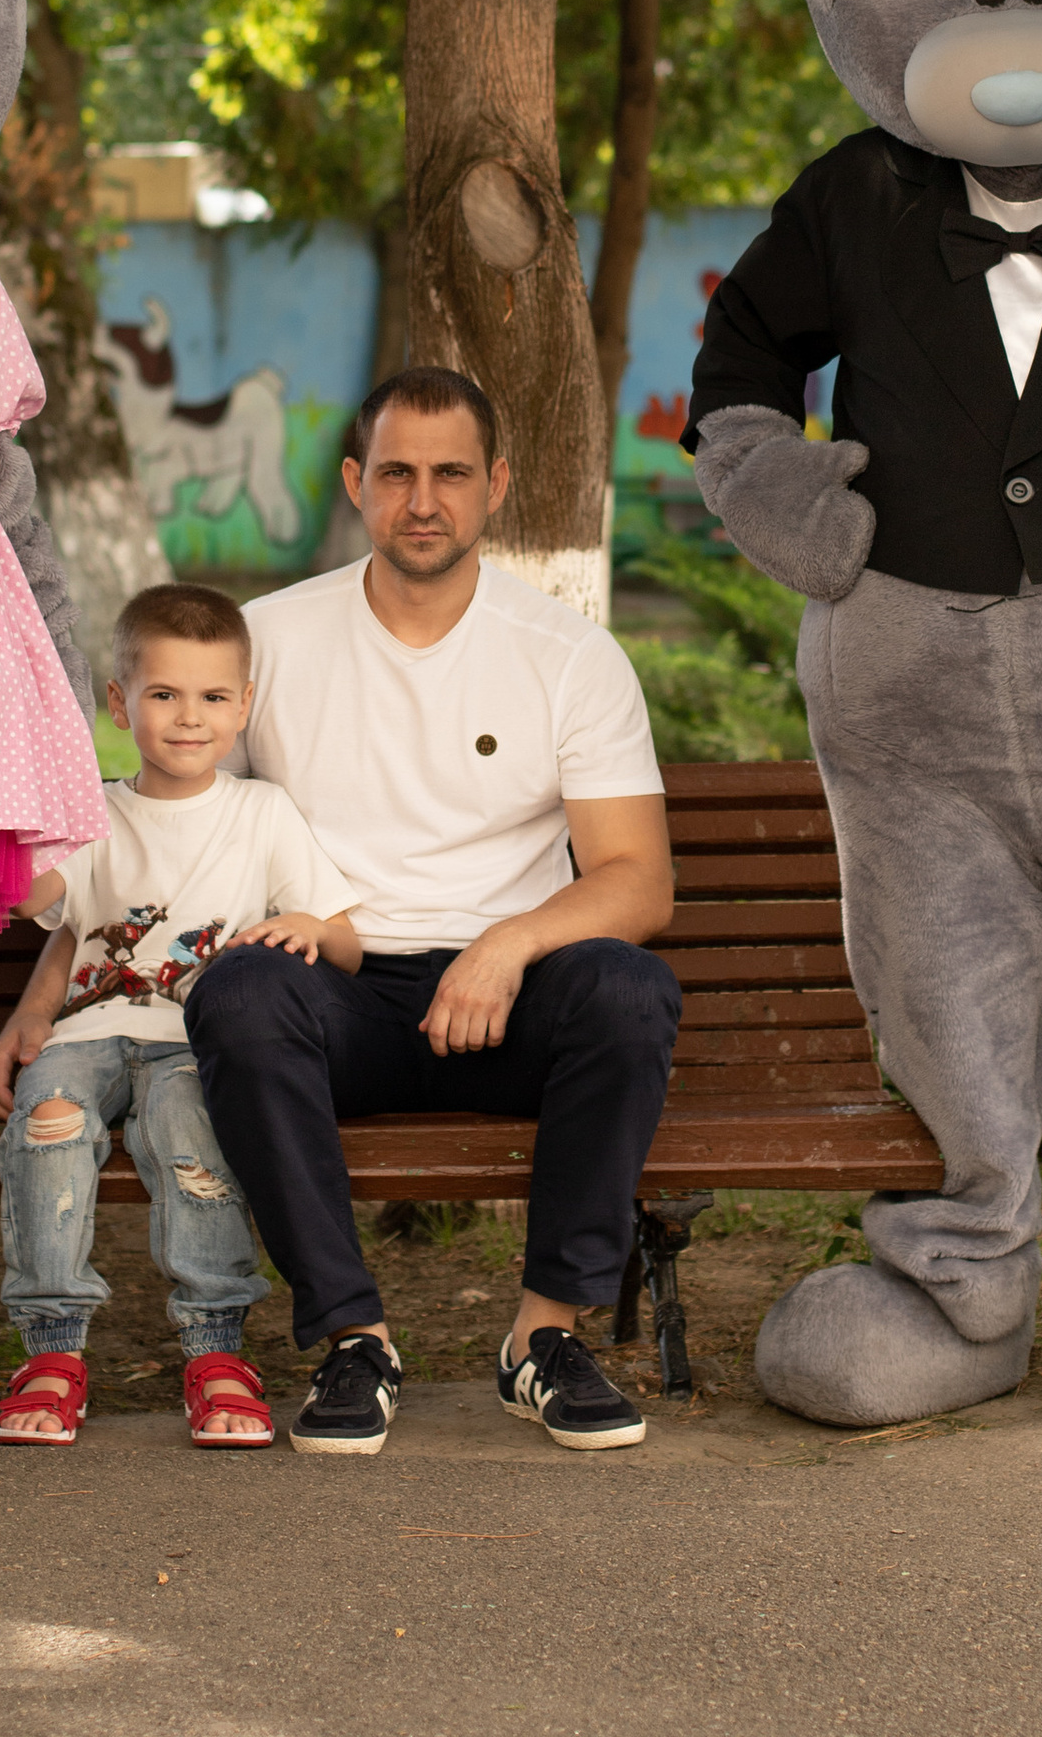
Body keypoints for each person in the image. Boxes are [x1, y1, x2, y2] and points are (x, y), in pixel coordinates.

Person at [184, 369, 679, 1459]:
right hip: (341, 993)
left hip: (510, 1004)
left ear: (495, 485)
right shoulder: (266, 643)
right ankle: (353, 1341)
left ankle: (543, 1341)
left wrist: (510, 942)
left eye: (451, 473)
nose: (423, 499)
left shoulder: (568, 656)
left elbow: (637, 881)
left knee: (628, 989)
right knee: (241, 992)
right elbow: (171, 814)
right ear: (357, 483)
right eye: (397, 472)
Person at [0, 581, 356, 1451]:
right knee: (50, 1119)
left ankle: (217, 1350)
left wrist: (308, 924)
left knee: (194, 1128)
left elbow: (348, 945)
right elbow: (52, 910)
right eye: (164, 694)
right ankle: (52, 1350)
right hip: (85, 1036)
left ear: (244, 706)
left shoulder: (262, 814)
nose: (190, 718)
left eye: (213, 697)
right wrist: (24, 1007)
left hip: (196, 1045)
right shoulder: (92, 813)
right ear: (120, 703)